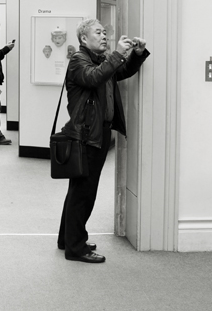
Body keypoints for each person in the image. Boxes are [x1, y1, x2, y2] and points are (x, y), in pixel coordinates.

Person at [57, 18, 149, 263]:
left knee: (78, 191)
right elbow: (94, 77)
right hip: (87, 137)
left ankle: (67, 238)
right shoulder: (79, 60)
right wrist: (118, 53)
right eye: (98, 32)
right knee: (84, 193)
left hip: (95, 134)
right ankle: (76, 248)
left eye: (104, 32)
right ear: (84, 39)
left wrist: (136, 54)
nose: (105, 36)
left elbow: (122, 71)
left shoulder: (100, 60)